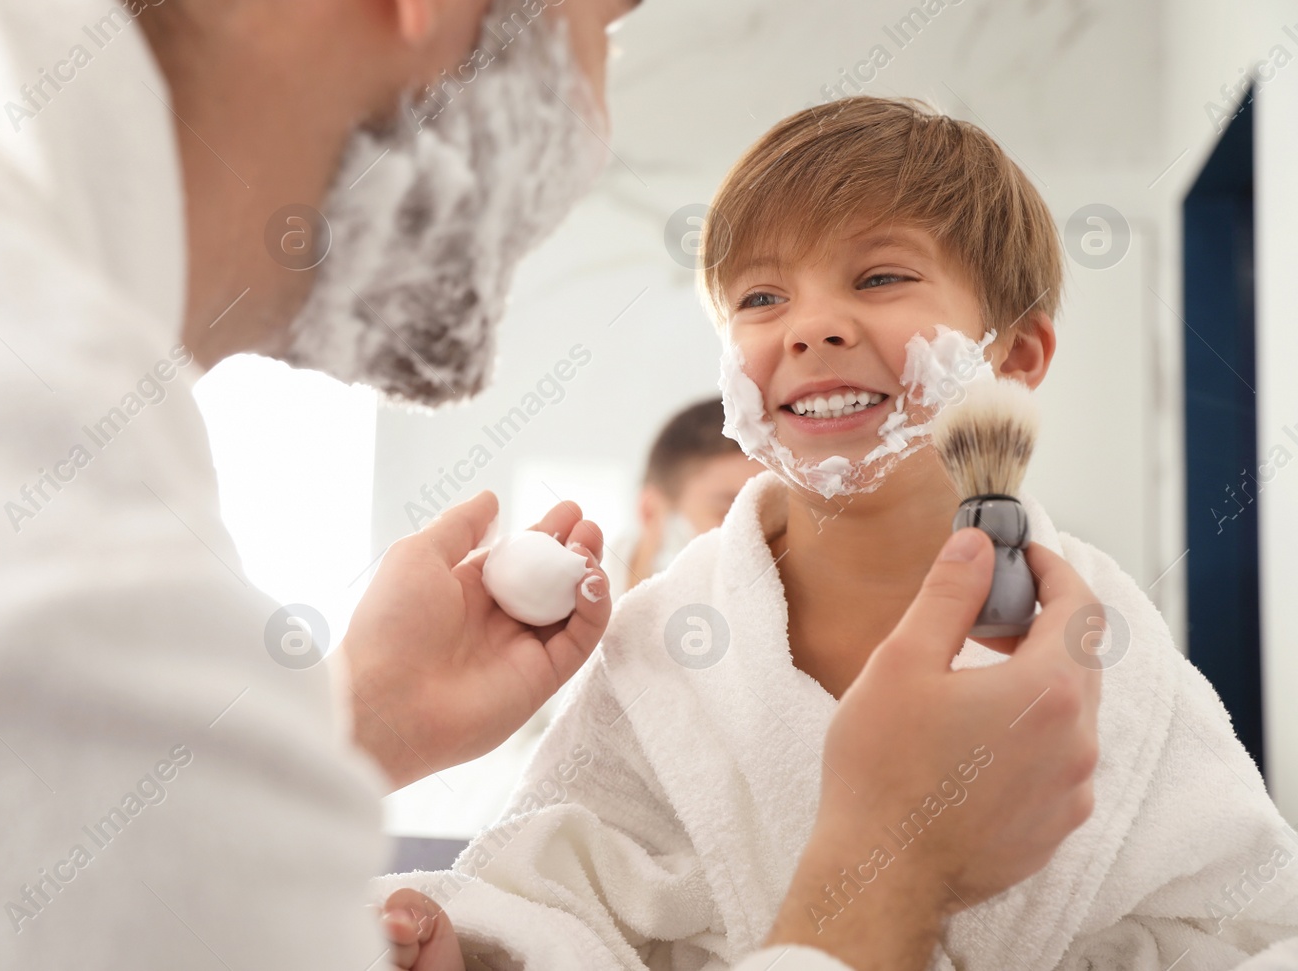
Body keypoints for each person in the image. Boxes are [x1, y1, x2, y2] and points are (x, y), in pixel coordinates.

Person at [0, 0, 1113, 968]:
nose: (602, 124)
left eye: (874, 277)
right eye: (604, 27)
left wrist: (347, 727)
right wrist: (883, 877)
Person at [375, 99, 1298, 968]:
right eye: (761, 299)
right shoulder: (666, 642)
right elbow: (554, 893)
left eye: (881, 276)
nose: (810, 326)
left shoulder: (1103, 643)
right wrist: (485, 946)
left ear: (1012, 356)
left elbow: (1247, 920)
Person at [617, 397, 763, 598]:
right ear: (650, 513)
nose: (760, 536)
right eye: (730, 512)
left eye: (772, 513)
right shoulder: (568, 609)